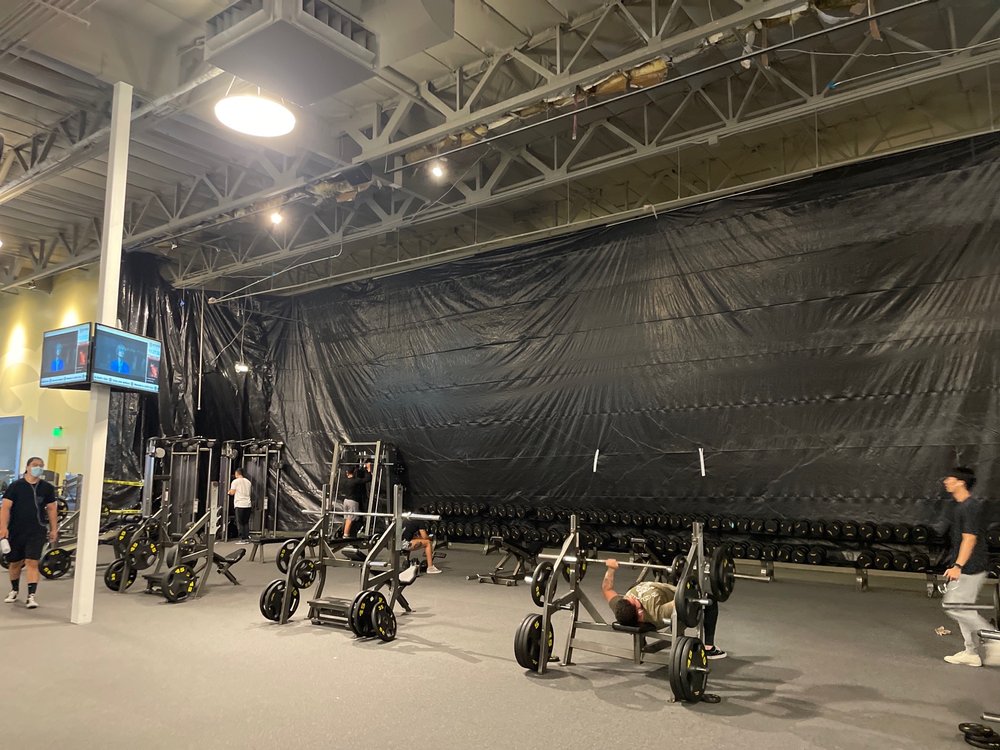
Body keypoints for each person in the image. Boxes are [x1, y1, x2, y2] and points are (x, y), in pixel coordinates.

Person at [602, 559, 726, 659]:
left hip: (662, 588)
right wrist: (690, 585)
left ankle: (642, 641)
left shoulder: (620, 607)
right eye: (633, 601)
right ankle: (709, 648)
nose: (631, 597)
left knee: (632, 587)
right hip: (674, 593)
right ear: (639, 612)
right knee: (709, 600)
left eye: (628, 598)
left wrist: (611, 568)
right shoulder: (656, 613)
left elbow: (607, 588)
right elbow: (683, 602)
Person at [940, 467, 995, 667]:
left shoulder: (970, 506)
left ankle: (995, 640)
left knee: (954, 606)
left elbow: (970, 539)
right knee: (963, 609)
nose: (946, 481)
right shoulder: (961, 506)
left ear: (961, 482)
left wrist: (958, 565)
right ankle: (971, 652)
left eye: (950, 478)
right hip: (968, 564)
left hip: (971, 566)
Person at [0, 457, 58, 609]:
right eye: (35, 465)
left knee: (32, 562)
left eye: (41, 465)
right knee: (15, 563)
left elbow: (52, 509)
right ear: (27, 467)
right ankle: (14, 590)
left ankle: (31, 596)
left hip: (37, 530)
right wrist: (3, 528)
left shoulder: (47, 488)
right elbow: (5, 508)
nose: (38, 468)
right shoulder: (15, 486)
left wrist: (54, 529)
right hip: (16, 530)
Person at [228, 467, 252, 543]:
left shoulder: (235, 482)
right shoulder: (248, 482)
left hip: (239, 504)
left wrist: (228, 492)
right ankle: (246, 537)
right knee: (246, 522)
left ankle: (242, 538)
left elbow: (232, 492)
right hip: (248, 504)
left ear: (237, 473)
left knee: (240, 522)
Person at [341, 467, 367, 538]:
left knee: (346, 518)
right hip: (352, 501)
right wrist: (368, 470)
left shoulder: (345, 481)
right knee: (350, 518)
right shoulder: (355, 481)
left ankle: (344, 533)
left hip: (346, 501)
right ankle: (345, 535)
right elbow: (368, 479)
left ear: (347, 472)